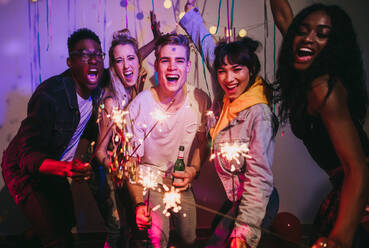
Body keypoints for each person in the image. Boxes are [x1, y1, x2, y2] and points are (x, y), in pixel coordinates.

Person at [179, 2, 279, 248]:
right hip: (236, 198)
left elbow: (258, 180)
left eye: (237, 69)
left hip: (256, 200)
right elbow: (210, 51)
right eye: (222, 71)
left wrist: (244, 230)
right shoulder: (225, 97)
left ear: (251, 70)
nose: (229, 78)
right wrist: (192, 16)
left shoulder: (259, 114)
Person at [271, 1, 369, 247]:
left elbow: (357, 168)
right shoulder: (308, 76)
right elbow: (284, 18)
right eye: (302, 31)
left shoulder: (323, 87)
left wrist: (339, 239)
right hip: (342, 185)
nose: (307, 39)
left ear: (334, 47)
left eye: (322, 35)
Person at [1, 28, 104, 247]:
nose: (93, 59)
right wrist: (67, 169)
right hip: (23, 168)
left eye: (98, 54)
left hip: (53, 166)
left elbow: (124, 62)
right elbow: (27, 157)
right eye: (84, 54)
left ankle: (32, 237)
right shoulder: (50, 95)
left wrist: (158, 39)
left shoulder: (96, 85)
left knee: (67, 220)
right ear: (70, 62)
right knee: (57, 238)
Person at [83, 12, 161, 248]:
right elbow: (99, 153)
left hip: (129, 168)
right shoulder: (111, 102)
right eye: (118, 61)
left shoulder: (136, 87)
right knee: (117, 228)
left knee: (133, 227)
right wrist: (121, 171)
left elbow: (134, 56)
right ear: (112, 65)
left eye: (131, 58)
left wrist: (157, 41)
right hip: (107, 173)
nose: (126, 65)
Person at [126, 33, 210, 248]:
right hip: (150, 183)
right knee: (158, 241)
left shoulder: (200, 100)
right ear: (156, 64)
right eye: (165, 61)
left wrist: (193, 170)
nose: (172, 67)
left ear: (188, 66)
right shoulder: (140, 106)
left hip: (180, 183)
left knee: (189, 238)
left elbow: (202, 142)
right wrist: (138, 204)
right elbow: (131, 164)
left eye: (179, 61)